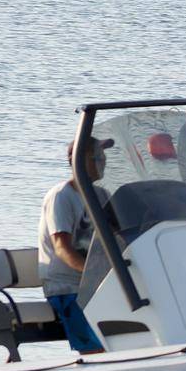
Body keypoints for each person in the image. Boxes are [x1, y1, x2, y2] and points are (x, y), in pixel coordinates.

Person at [38, 137, 113, 354]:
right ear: (77, 161)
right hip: (67, 288)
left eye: (103, 155)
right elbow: (62, 248)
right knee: (98, 350)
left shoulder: (102, 195)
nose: (103, 160)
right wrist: (93, 274)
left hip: (98, 286)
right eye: (97, 156)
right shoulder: (62, 196)